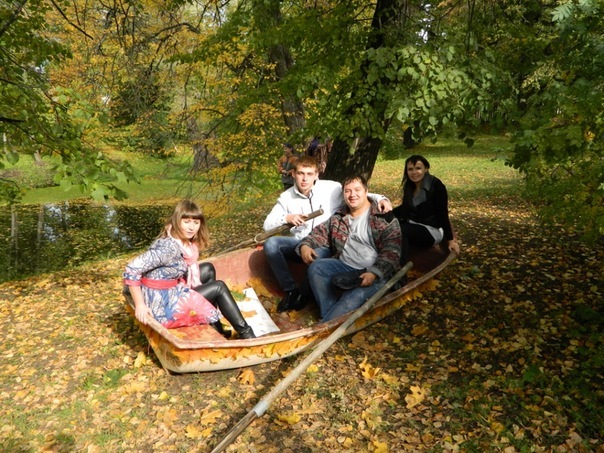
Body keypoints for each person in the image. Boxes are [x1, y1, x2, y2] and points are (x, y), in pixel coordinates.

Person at [263, 156, 392, 313]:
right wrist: (287, 218)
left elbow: (356, 194)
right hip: (300, 242)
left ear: (316, 174)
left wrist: (382, 199)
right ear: (293, 174)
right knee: (271, 244)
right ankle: (291, 290)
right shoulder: (286, 197)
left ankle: (304, 294)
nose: (304, 179)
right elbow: (267, 225)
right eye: (301, 173)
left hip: (325, 243)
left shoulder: (331, 188)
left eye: (309, 174)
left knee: (318, 256)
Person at [123, 200, 256, 339]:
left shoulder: (179, 241)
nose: (192, 228)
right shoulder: (168, 248)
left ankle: (215, 325)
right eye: (186, 222)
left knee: (208, 269)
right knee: (219, 287)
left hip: (171, 288)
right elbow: (132, 269)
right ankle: (247, 334)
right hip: (164, 305)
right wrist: (140, 305)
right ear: (176, 221)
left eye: (196, 223)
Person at [297, 175, 402, 322]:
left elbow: (392, 251)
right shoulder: (340, 216)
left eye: (357, 190)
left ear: (366, 191)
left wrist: (374, 273)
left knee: (353, 297)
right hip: (345, 265)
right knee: (316, 267)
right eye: (347, 191)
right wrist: (305, 245)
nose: (352, 195)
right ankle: (330, 317)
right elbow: (319, 233)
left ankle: (327, 323)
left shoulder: (384, 218)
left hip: (376, 272)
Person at [392, 155, 460, 263]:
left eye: (418, 168)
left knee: (400, 230)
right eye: (410, 169)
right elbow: (405, 208)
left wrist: (450, 240)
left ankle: (399, 265)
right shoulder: (410, 186)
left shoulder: (437, 186)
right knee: (386, 225)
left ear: (426, 169)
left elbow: (442, 214)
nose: (414, 172)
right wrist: (386, 215)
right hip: (413, 224)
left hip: (431, 230)